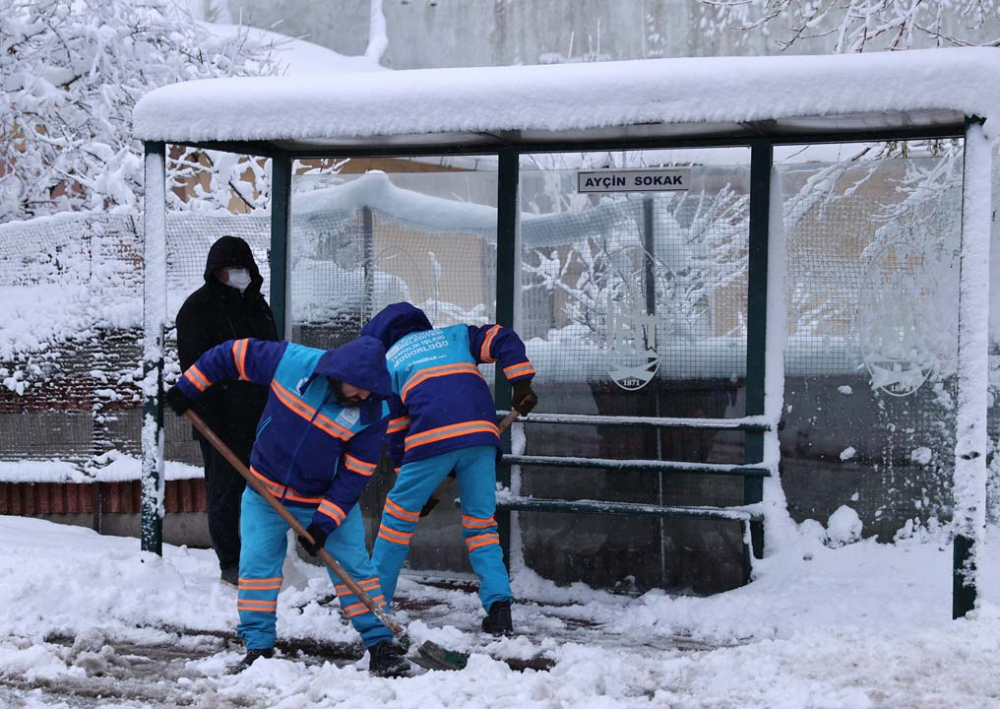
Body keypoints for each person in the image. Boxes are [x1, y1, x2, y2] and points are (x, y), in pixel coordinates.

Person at [164, 335, 409, 677]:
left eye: (371, 390)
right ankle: (258, 648)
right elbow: (233, 354)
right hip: (265, 492)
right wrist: (190, 386)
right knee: (257, 571)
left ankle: (382, 646)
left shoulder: (373, 410)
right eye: (360, 388)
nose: (364, 395)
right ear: (340, 371)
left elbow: (356, 472)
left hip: (323, 498)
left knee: (355, 569)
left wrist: (325, 521)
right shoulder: (292, 362)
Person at [361, 303, 538, 637]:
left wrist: (412, 485)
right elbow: (503, 337)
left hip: (429, 439)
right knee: (481, 523)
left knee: (397, 521)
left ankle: (374, 605)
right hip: (481, 437)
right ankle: (500, 609)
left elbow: (397, 431)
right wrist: (521, 382)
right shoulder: (455, 337)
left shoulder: (389, 362)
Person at [175, 236, 278, 588]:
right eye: (231, 269)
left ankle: (260, 557)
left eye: (243, 268)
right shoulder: (196, 309)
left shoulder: (258, 306)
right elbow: (194, 367)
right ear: (215, 271)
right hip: (217, 420)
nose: (239, 274)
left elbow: (273, 355)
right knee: (225, 493)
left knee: (264, 490)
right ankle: (231, 564)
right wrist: (209, 416)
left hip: (261, 417)